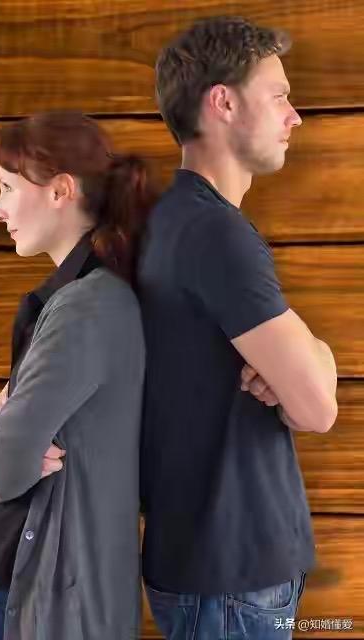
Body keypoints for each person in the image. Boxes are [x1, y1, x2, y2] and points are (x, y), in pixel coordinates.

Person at [138, 16, 338, 640]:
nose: (294, 116)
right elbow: (317, 408)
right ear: (222, 102)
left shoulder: (172, 221)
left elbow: (302, 392)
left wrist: (306, 361)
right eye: (278, 96)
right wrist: (312, 361)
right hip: (230, 580)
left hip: (214, 572)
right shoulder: (215, 234)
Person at [0, 111, 153, 640]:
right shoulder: (84, 297)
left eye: (7, 187)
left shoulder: (86, 307)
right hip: (26, 593)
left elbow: (5, 467)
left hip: (42, 605)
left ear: (60, 190)